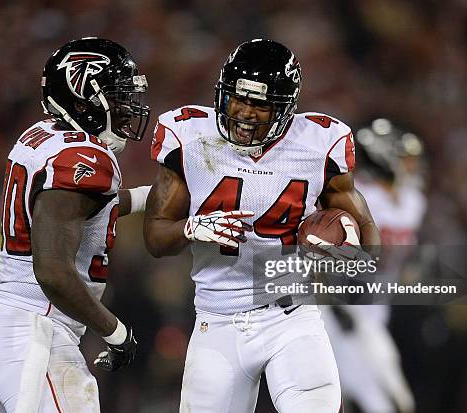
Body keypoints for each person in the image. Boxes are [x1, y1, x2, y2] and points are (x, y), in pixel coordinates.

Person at [144, 38, 380, 413]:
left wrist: (349, 253)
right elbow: (155, 237)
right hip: (216, 320)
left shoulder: (319, 143)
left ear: (285, 109)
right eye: (238, 98)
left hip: (292, 317)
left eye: (260, 104)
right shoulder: (188, 135)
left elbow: (366, 231)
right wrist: (191, 228)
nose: (245, 113)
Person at [0, 37, 151, 413]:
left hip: (11, 327)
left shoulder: (45, 137)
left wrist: (157, 197)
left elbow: (88, 209)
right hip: (35, 333)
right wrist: (116, 333)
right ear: (83, 99)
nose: (127, 108)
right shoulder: (84, 157)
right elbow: (52, 271)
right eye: (117, 97)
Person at [321, 119, 426, 413]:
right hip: (339, 303)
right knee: (362, 392)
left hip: (373, 305)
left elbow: (406, 255)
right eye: (406, 159)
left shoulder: (413, 202)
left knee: (390, 391)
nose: (413, 166)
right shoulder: (358, 197)